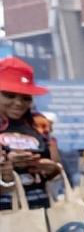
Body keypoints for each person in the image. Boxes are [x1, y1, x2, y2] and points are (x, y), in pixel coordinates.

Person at [0, 56, 61, 211]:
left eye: (26, 98)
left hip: (40, 208)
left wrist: (51, 169)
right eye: (9, 95)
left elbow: (56, 167)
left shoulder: (40, 123)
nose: (18, 103)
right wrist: (6, 166)